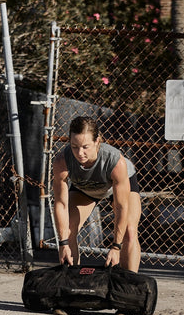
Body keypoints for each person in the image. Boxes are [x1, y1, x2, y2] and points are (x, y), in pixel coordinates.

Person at [52, 116, 142, 274]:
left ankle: (129, 286)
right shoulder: (62, 161)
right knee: (69, 230)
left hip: (115, 186)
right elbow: (61, 204)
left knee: (129, 231)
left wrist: (116, 247)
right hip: (86, 188)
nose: (80, 153)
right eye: (74, 147)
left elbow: (121, 207)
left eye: (85, 147)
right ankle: (72, 283)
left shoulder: (116, 162)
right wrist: (63, 243)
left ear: (97, 141)